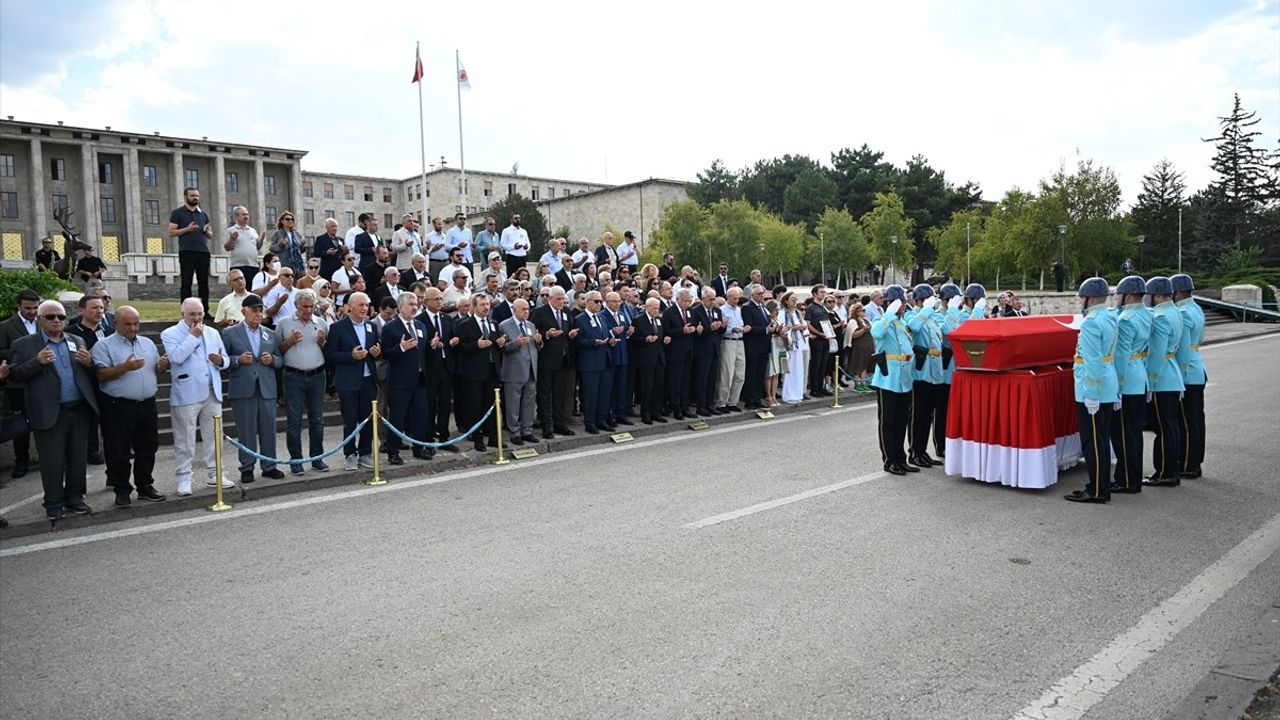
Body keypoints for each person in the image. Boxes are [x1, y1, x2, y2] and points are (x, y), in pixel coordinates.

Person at [8, 300, 99, 518]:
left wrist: (89, 364)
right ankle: (53, 503)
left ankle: (75, 498)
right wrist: (36, 362)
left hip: (78, 409)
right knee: (52, 461)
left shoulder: (76, 340)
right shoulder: (24, 345)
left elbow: (91, 373)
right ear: (39, 319)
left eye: (60, 317)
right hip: (49, 412)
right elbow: (15, 375)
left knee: (78, 459)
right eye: (50, 317)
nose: (57, 321)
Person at [90, 305, 168, 507]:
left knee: (148, 447)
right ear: (115, 323)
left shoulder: (148, 343)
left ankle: (145, 486)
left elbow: (153, 372)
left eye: (136, 323)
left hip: (147, 404)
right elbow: (101, 375)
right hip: (118, 406)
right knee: (118, 450)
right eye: (128, 324)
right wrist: (125, 367)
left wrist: (160, 367)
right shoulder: (104, 346)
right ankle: (121, 489)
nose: (133, 328)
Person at [162, 298, 232, 495]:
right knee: (185, 439)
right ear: (183, 313)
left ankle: (216, 473)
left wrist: (221, 361)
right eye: (192, 314)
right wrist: (192, 336)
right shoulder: (170, 333)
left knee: (214, 436)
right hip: (187, 393)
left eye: (200, 313)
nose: (197, 318)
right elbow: (176, 357)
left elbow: (225, 358)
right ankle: (184, 478)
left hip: (212, 390)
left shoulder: (212, 332)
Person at [221, 294, 285, 484]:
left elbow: (280, 360)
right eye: (254, 311)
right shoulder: (230, 333)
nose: (258, 314)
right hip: (243, 387)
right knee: (246, 429)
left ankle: (269, 466)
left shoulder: (270, 333)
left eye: (260, 310)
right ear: (244, 312)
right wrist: (237, 360)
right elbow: (221, 360)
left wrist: (272, 360)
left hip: (266, 387)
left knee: (268, 428)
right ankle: (247, 467)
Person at [1066, 277, 1119, 503]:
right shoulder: (1110, 316)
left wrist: (1091, 393)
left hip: (1094, 387)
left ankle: (1098, 489)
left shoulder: (1091, 322)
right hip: (1109, 383)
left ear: (1089, 298)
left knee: (1093, 442)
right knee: (1102, 438)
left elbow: (1092, 361)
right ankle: (1099, 484)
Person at [277, 289, 330, 475]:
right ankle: (296, 460)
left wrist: (323, 343)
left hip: (317, 376)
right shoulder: (284, 323)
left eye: (311, 306)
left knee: (317, 420)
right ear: (296, 306)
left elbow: (327, 351)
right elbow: (278, 351)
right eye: (304, 306)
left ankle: (317, 459)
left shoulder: (321, 322)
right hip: (293, 377)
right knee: (294, 421)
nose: (308, 310)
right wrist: (290, 341)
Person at [326, 291, 380, 470]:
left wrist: (376, 353)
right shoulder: (338, 328)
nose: (365, 308)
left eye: (367, 305)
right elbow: (331, 354)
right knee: (350, 420)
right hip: (348, 381)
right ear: (350, 307)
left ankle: (365, 453)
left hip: (368, 379)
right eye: (361, 305)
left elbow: (376, 349)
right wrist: (351, 355)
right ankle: (350, 454)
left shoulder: (371, 326)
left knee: (368, 419)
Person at [1109, 275, 1151, 494]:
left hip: (1126, 381)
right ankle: (1132, 475)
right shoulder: (1146, 314)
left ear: (1128, 295)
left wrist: (1115, 387)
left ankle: (1127, 480)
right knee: (1134, 432)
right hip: (1140, 376)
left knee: (1123, 433)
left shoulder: (1125, 319)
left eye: (1119, 293)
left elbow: (1120, 357)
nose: (1116, 297)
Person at [1143, 276, 1185, 487]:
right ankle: (1171, 470)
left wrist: (1149, 383)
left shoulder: (1160, 317)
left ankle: (1165, 473)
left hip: (1162, 378)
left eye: (1148, 295)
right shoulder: (1175, 312)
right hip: (1172, 373)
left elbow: (1156, 354)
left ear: (1157, 295)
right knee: (1170, 426)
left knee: (1164, 428)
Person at [380, 293, 431, 464]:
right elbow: (385, 353)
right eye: (410, 304)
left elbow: (422, 350)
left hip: (419, 378)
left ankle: (419, 447)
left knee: (421, 415)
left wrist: (433, 345)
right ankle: (393, 451)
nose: (415, 307)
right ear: (400, 307)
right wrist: (400, 348)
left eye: (416, 304)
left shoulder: (420, 325)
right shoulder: (390, 327)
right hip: (399, 381)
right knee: (398, 416)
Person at [871, 285, 915, 476]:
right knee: (887, 422)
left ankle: (900, 458)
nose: (903, 305)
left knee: (901, 421)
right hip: (888, 377)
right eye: (899, 302)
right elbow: (877, 333)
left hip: (904, 377)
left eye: (904, 302)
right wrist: (888, 314)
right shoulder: (881, 320)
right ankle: (890, 460)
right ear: (890, 303)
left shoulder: (902, 323)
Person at [67, 293, 114, 467]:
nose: (99, 311)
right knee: (89, 420)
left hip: (108, 380)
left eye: (101, 308)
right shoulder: (71, 333)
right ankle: (91, 451)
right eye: (94, 307)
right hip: (84, 383)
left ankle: (112, 452)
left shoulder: (109, 331)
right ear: (81, 310)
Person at [0, 289, 41, 479]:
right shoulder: (6, 326)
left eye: (35, 307)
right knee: (21, 425)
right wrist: (27, 354)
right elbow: (2, 351)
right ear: (19, 306)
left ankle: (48, 458)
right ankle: (21, 462)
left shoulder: (44, 322)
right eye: (28, 308)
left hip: (42, 381)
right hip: (18, 383)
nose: (32, 311)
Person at [454, 294, 503, 450]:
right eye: (482, 304)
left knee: (492, 405)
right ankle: (477, 439)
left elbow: (493, 344)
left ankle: (494, 437)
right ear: (474, 306)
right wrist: (476, 345)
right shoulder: (465, 324)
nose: (486, 307)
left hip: (491, 370)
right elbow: (460, 347)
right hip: (473, 372)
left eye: (487, 304)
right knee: (474, 407)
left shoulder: (493, 323)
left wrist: (499, 343)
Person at [1171, 273, 1206, 479]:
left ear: (1176, 293)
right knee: (1196, 420)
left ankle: (1188, 464)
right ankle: (1195, 461)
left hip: (1188, 373)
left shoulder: (1183, 313)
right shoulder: (1196, 308)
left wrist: (1180, 379)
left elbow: (1182, 352)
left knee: (1187, 423)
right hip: (1198, 367)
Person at [531, 286, 577, 438]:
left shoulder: (566, 312)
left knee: (560, 393)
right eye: (557, 299)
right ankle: (547, 426)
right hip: (546, 360)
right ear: (549, 298)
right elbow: (532, 331)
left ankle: (560, 423)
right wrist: (547, 334)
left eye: (562, 299)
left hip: (563, 359)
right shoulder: (540, 312)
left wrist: (571, 334)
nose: (561, 302)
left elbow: (567, 329)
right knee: (545, 394)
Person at [418, 287, 457, 452]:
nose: (440, 301)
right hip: (430, 368)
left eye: (441, 298)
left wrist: (452, 343)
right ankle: (428, 437)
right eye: (436, 299)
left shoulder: (447, 318)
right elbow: (419, 345)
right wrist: (431, 345)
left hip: (446, 366)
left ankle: (444, 436)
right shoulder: (420, 320)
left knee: (445, 404)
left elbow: (451, 339)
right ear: (426, 301)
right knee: (430, 404)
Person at [499, 298, 541, 444]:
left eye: (528, 309)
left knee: (529, 401)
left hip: (531, 369)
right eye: (523, 309)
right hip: (514, 370)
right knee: (513, 403)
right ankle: (514, 432)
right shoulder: (504, 326)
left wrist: (539, 341)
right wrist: (515, 344)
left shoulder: (531, 325)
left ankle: (527, 430)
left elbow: (535, 348)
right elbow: (502, 348)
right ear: (514, 310)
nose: (526, 312)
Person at [168, 187, 213, 319]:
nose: (195, 198)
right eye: (192, 195)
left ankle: (204, 311)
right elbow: (171, 232)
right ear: (186, 197)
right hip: (187, 251)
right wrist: (187, 229)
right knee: (186, 282)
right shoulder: (178, 213)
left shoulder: (203, 214)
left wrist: (207, 231)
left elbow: (210, 235)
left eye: (197, 196)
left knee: (203, 283)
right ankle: (186, 312)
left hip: (203, 252)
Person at [931, 283, 964, 457]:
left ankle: (954, 441)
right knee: (942, 410)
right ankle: (941, 444)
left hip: (958, 367)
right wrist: (951, 311)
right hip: (944, 367)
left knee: (957, 410)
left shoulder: (957, 314)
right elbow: (945, 331)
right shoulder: (937, 316)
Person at [575, 291, 615, 432]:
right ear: (587, 302)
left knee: (604, 392)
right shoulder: (579, 319)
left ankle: (601, 419)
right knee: (591, 394)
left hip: (605, 359)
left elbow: (606, 335)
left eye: (600, 301)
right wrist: (594, 342)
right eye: (596, 301)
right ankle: (590, 421)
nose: (599, 304)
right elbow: (578, 341)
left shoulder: (601, 318)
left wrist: (610, 341)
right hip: (590, 362)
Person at [630, 297, 668, 424]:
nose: (657, 310)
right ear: (647, 307)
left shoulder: (659, 320)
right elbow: (632, 340)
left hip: (659, 357)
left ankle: (656, 412)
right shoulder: (638, 320)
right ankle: (645, 413)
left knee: (659, 386)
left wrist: (665, 340)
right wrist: (645, 339)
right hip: (646, 358)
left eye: (658, 308)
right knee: (647, 387)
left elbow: (661, 335)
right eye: (654, 308)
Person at [661, 288, 695, 420]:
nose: (687, 303)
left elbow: (694, 324)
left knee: (686, 381)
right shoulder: (669, 312)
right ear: (678, 299)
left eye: (689, 301)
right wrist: (682, 330)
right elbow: (665, 331)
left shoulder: (690, 311)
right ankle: (675, 408)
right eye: (685, 301)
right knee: (675, 381)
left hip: (688, 350)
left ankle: (685, 407)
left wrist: (694, 329)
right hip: (675, 352)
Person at [688, 287, 722, 416]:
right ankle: (701, 405)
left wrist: (721, 327)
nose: (713, 302)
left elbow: (719, 332)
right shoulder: (696, 311)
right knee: (702, 379)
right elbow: (697, 331)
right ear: (703, 299)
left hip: (714, 348)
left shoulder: (717, 311)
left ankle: (710, 403)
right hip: (702, 349)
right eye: (710, 299)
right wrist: (709, 328)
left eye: (714, 299)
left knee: (712, 378)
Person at [602, 290, 634, 426]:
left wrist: (628, 331)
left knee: (622, 385)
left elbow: (625, 330)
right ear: (607, 302)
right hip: (611, 355)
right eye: (614, 301)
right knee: (610, 387)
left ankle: (621, 413)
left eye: (618, 301)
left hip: (623, 354)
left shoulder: (621, 315)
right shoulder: (602, 315)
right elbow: (603, 332)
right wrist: (612, 332)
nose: (617, 304)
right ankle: (610, 413)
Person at [715, 286, 748, 413]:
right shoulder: (722, 310)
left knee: (739, 373)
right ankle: (721, 402)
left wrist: (745, 328)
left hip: (740, 341)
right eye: (734, 298)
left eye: (738, 298)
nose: (736, 301)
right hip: (728, 341)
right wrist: (731, 330)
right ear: (728, 297)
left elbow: (741, 323)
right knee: (726, 373)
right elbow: (721, 329)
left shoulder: (739, 310)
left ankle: (733, 401)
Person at [740, 284, 772, 410]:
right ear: (752, 295)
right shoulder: (747, 307)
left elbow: (767, 324)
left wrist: (773, 329)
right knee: (751, 374)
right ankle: (749, 400)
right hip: (753, 346)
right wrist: (765, 330)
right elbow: (749, 327)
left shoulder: (763, 307)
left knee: (760, 374)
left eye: (762, 293)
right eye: (759, 293)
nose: (762, 295)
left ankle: (757, 398)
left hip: (764, 345)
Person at [778, 291, 809, 404]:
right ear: (786, 301)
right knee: (789, 370)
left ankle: (797, 393)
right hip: (789, 344)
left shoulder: (797, 312)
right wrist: (795, 328)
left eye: (796, 299)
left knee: (798, 369)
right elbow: (782, 329)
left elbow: (802, 325)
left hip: (798, 343)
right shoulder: (783, 313)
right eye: (792, 299)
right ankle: (788, 394)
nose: (795, 301)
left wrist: (802, 327)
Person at [224, 206, 263, 288]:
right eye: (243, 214)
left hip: (253, 266)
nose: (246, 216)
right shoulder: (231, 230)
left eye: (247, 214)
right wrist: (231, 239)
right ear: (237, 216)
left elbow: (257, 248)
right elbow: (227, 248)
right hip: (238, 266)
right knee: (238, 291)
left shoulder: (253, 231)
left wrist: (261, 240)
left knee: (252, 291)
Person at [763, 299, 784, 406]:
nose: (777, 311)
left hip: (779, 347)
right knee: (769, 373)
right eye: (776, 309)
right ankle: (768, 396)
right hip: (771, 346)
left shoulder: (777, 319)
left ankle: (774, 395)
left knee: (776, 373)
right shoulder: (767, 319)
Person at [500, 213, 530, 278]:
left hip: (522, 257)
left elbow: (528, 244)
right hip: (512, 257)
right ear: (511, 220)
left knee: (523, 277)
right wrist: (513, 247)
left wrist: (526, 247)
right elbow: (502, 245)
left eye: (519, 218)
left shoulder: (523, 231)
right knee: (512, 277)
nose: (518, 220)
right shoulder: (506, 231)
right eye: (515, 218)